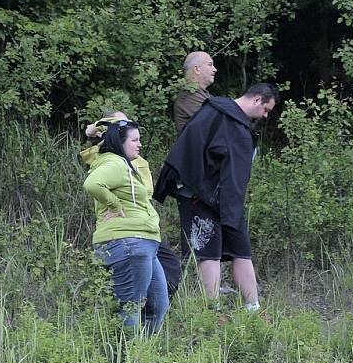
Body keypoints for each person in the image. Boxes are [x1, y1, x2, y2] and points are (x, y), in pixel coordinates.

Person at [154, 83, 278, 312]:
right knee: (208, 252)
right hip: (198, 195)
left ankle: (253, 308)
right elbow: (193, 152)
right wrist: (203, 192)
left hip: (224, 198)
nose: (265, 116)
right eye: (266, 110)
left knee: (241, 249)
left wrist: (229, 206)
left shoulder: (226, 116)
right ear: (257, 99)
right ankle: (212, 310)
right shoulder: (221, 116)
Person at [81, 111, 182, 298]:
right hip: (128, 231)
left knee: (169, 273)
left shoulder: (134, 158)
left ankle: (146, 319)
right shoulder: (109, 158)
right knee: (131, 299)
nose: (139, 143)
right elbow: (91, 132)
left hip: (146, 226)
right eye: (121, 123)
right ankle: (131, 323)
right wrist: (115, 206)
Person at [174, 51, 217, 135]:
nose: (215, 69)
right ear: (197, 69)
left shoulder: (201, 94)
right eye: (210, 64)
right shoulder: (188, 97)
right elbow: (218, 122)